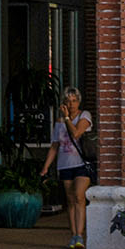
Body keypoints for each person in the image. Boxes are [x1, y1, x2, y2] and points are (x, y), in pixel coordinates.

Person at [45, 89, 95, 241]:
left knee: (79, 196)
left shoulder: (84, 116)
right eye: (68, 101)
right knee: (70, 199)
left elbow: (76, 133)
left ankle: (80, 235)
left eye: (74, 101)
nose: (71, 104)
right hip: (65, 164)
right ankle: (73, 234)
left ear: (79, 102)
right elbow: (55, 146)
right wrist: (46, 167)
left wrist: (67, 118)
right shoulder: (59, 123)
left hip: (81, 163)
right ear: (63, 103)